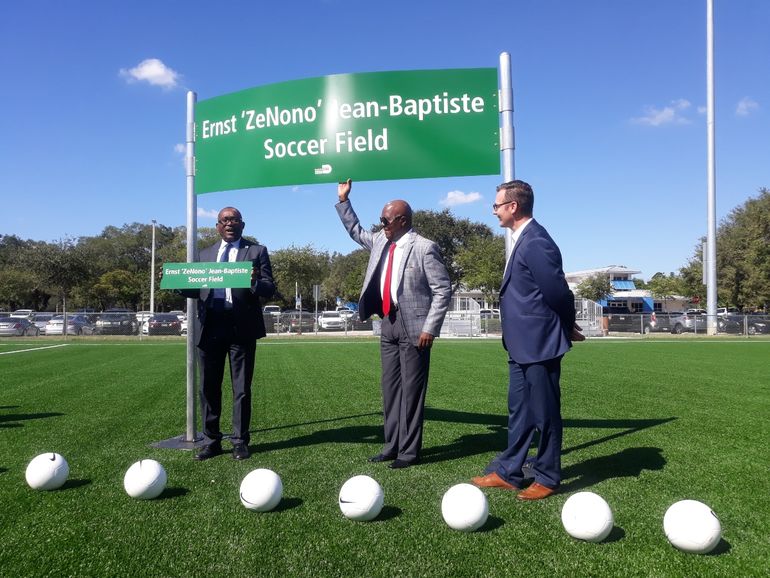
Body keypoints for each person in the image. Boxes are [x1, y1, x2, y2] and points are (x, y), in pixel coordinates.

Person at [472, 180, 584, 500]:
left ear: (513, 207)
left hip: (539, 343)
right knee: (519, 410)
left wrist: (567, 324)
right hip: (521, 343)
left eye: (496, 205)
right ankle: (509, 471)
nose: (493, 211)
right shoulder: (521, 239)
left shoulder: (536, 241)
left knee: (544, 412)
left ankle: (548, 477)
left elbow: (557, 292)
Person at [336, 179, 451, 469]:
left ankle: (409, 453)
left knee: (412, 392)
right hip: (387, 322)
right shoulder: (379, 241)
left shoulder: (425, 247)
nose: (382, 224)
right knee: (390, 389)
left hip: (415, 328)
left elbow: (442, 290)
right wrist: (344, 200)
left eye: (385, 219)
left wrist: (429, 328)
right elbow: (355, 231)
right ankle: (391, 445)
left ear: (401, 220)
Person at [179, 207, 275, 461]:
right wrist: (178, 284)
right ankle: (211, 441)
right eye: (224, 220)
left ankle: (240, 441)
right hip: (210, 326)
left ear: (242, 225)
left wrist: (254, 281)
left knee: (241, 388)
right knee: (208, 388)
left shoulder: (256, 252)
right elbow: (196, 290)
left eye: (234, 220)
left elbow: (269, 288)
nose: (229, 224)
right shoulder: (205, 254)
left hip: (241, 327)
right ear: (218, 227)